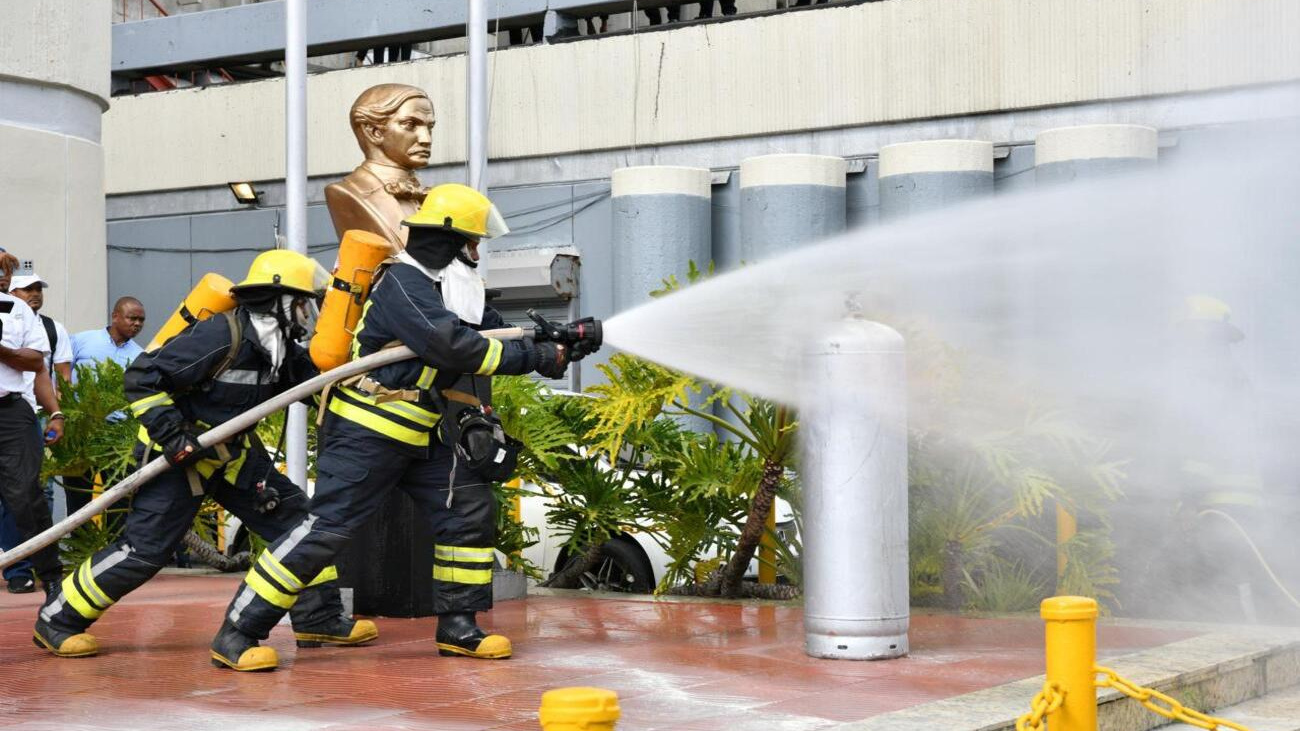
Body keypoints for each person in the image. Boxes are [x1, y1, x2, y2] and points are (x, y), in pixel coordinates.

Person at [210, 184, 571, 671]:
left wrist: (558, 339)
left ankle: (459, 626)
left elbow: (491, 329)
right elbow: (451, 346)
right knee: (327, 531)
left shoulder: (450, 288)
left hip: (424, 432)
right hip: (367, 431)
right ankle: (238, 630)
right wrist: (536, 357)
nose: (477, 251)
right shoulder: (403, 282)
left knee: (466, 510)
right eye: (472, 241)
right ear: (447, 241)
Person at [34, 251, 375, 665]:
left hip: (233, 458)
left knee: (299, 524)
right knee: (145, 550)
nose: (310, 312)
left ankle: (318, 618)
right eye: (305, 303)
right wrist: (173, 435)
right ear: (280, 301)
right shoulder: (220, 336)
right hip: (177, 460)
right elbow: (142, 377)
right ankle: (58, 619)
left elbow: (318, 387)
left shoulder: (279, 348)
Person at [0, 251, 64, 599]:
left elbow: (36, 362)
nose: (3, 276)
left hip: (12, 413)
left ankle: (51, 577)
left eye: (6, 271)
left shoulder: (18, 310)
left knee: (26, 496)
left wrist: (55, 413)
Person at [324, 84, 435, 250]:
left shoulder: (429, 195)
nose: (426, 139)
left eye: (430, 127)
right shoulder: (348, 193)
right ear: (374, 131)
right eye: (410, 124)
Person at [70, 296, 146, 375]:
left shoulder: (140, 356)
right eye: (132, 318)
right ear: (114, 317)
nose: (138, 323)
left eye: (141, 320)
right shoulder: (81, 340)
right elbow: (63, 374)